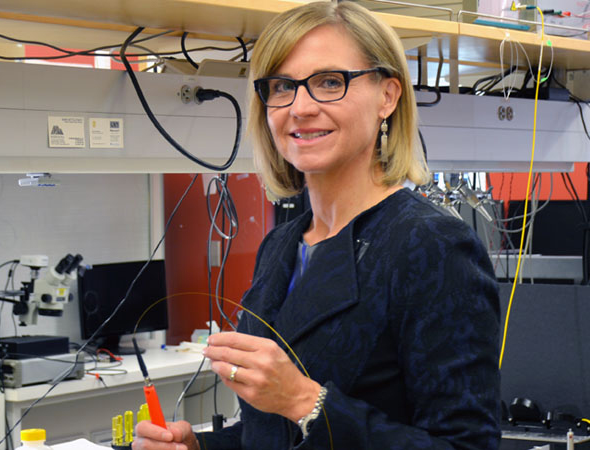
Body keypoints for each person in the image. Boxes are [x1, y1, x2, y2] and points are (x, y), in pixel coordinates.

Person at [133, 2, 501, 449]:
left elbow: (467, 445)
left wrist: (307, 401)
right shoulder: (282, 245)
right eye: (283, 86)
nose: (301, 107)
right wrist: (199, 447)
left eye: (330, 82)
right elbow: (269, 432)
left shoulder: (432, 245)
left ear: (387, 96)